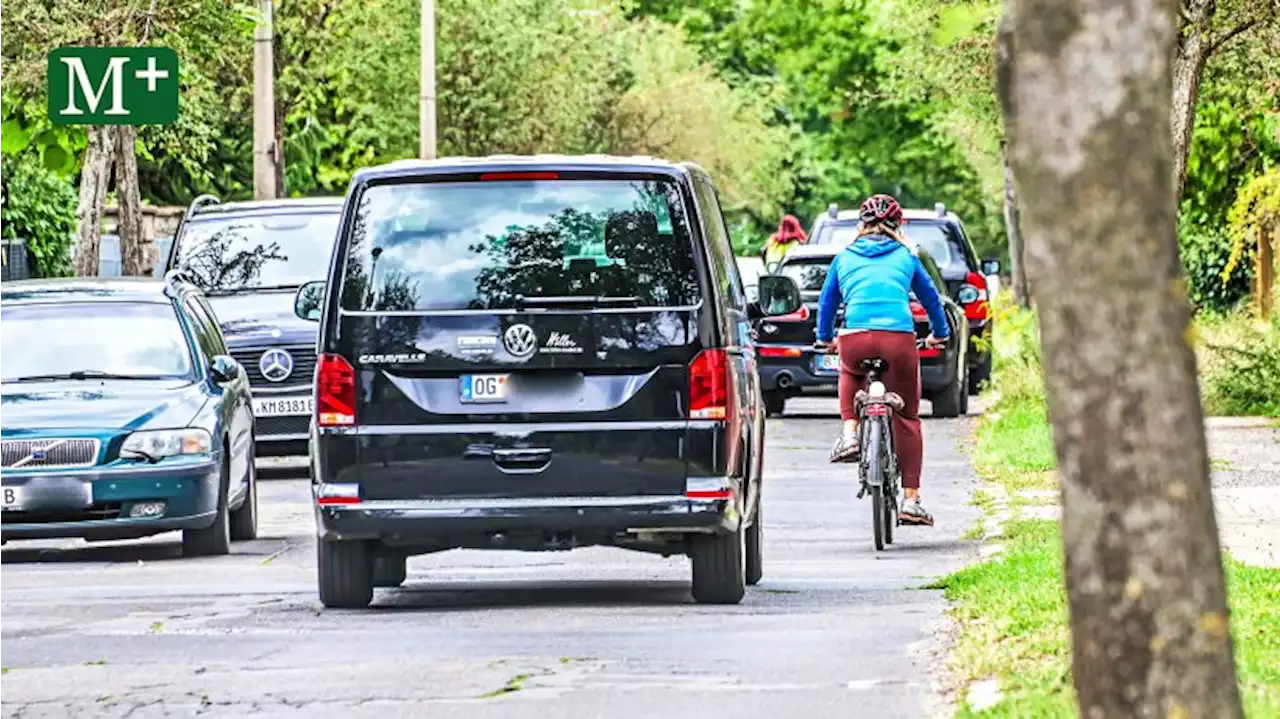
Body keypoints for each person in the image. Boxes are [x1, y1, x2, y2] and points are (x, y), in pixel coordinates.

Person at [814, 194, 949, 526]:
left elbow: (827, 304)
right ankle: (912, 501)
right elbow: (932, 298)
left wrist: (825, 338)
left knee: (849, 369)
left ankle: (850, 433)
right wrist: (939, 334)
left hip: (855, 338)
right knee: (907, 416)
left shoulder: (843, 257)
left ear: (861, 225)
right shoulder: (907, 255)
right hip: (898, 340)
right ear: (898, 225)